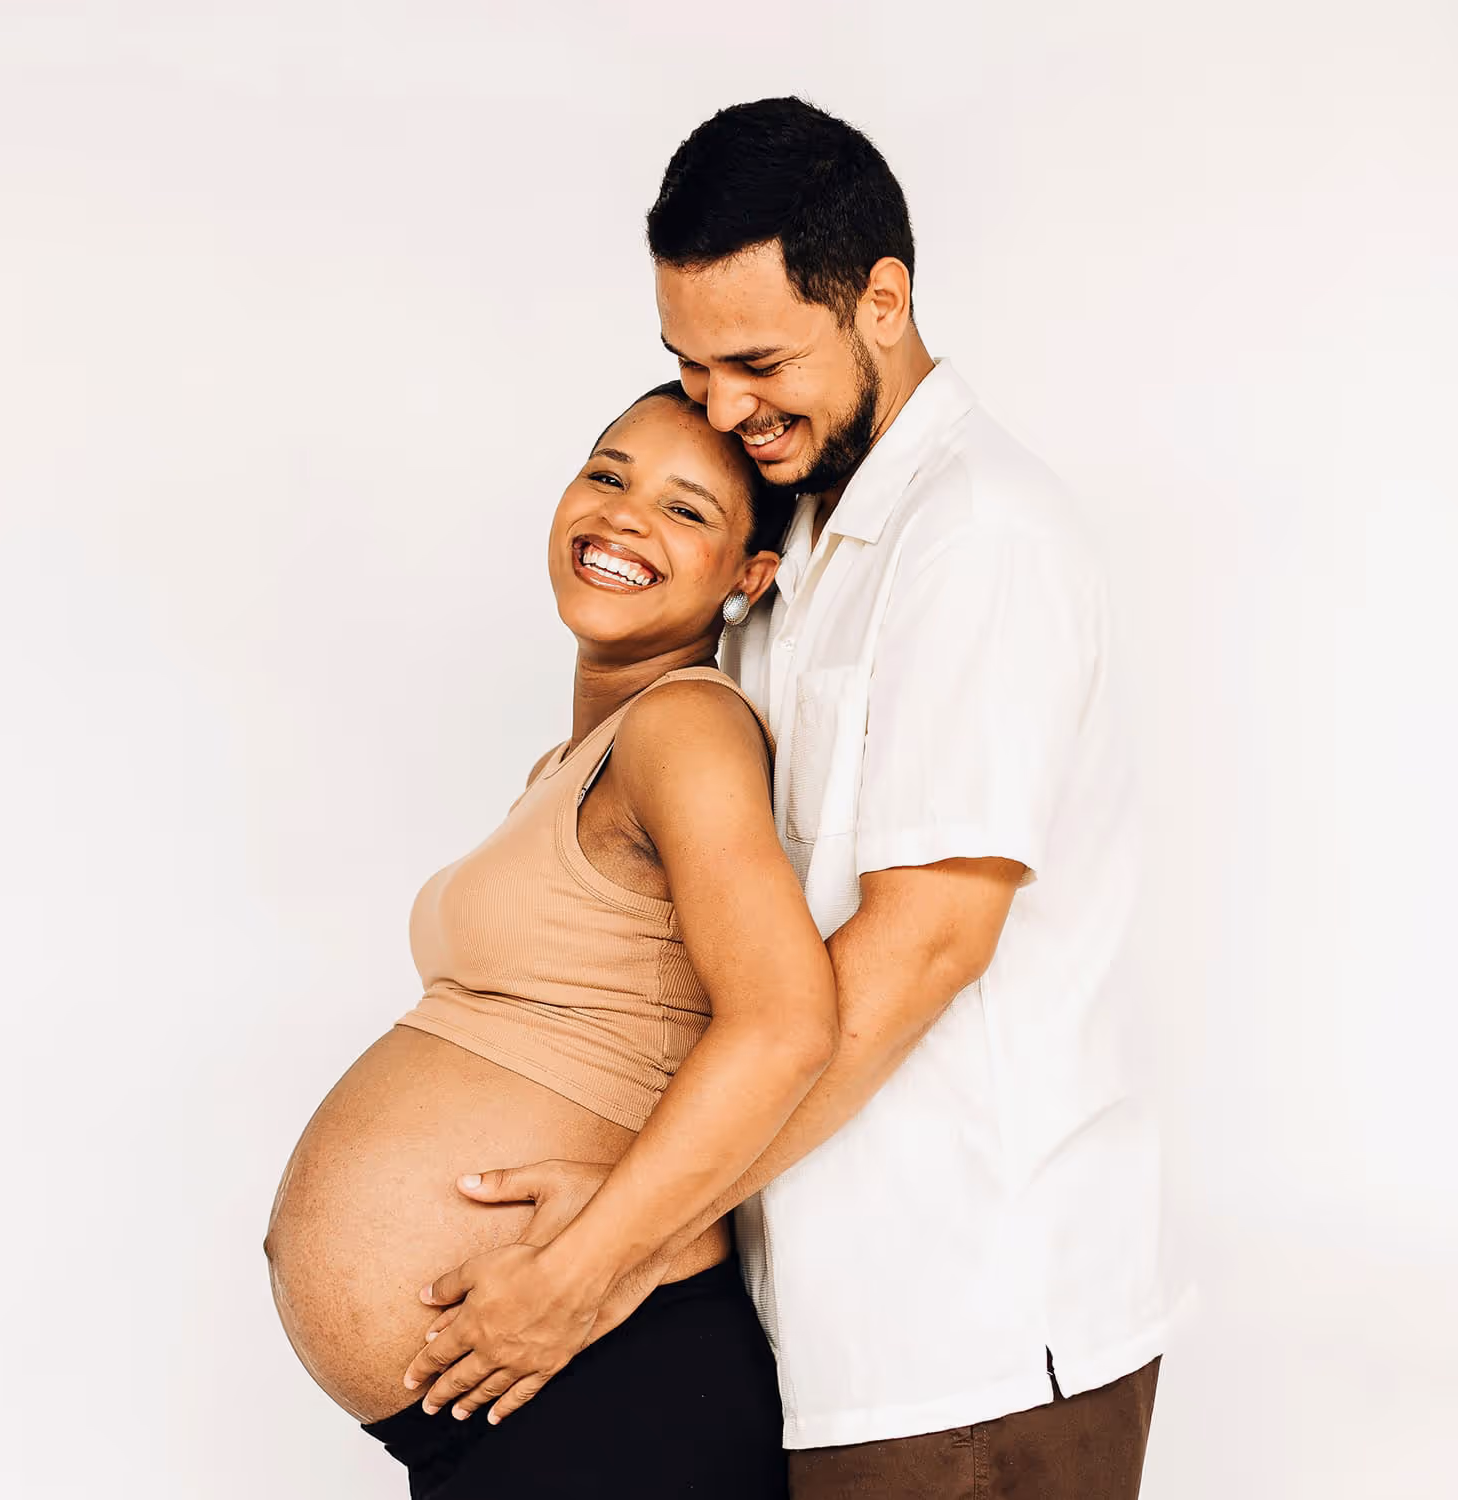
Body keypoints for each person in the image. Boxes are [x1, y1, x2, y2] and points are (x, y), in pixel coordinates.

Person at [405, 98, 1187, 1500]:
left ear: (883, 300)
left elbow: (925, 944)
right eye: (688, 366)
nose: (720, 408)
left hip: (971, 1332)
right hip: (814, 1319)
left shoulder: (976, 539)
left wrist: (602, 1259)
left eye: (757, 360)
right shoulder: (801, 522)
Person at [264, 381, 837, 1499]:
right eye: (609, 475)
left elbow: (784, 1020)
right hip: (524, 1395)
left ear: (749, 577)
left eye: (687, 511)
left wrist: (584, 1268)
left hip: (608, 1370)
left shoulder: (684, 725)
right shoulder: (568, 768)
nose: (624, 516)